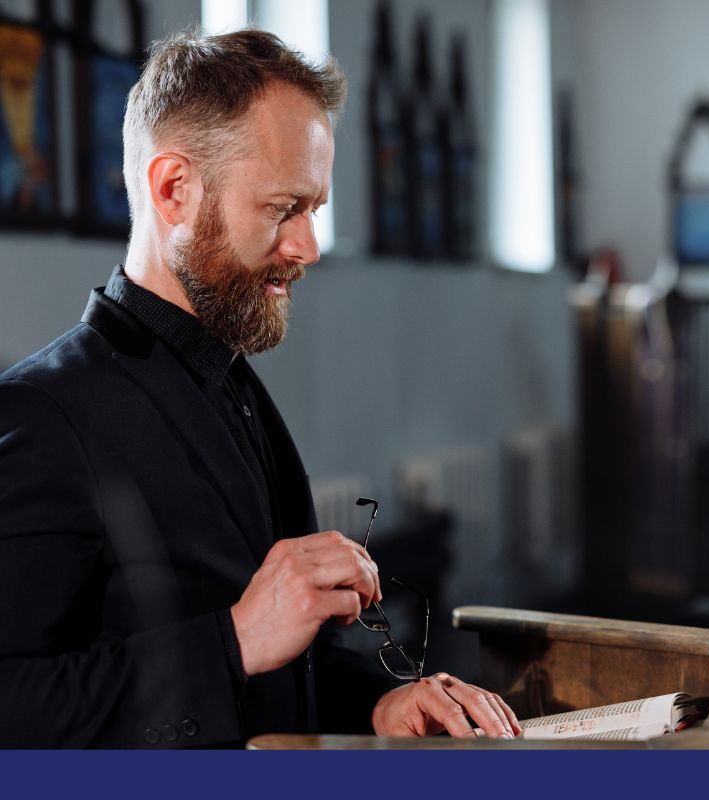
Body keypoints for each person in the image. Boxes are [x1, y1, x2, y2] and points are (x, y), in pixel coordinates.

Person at [0, 29, 521, 748]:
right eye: (284, 208)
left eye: (315, 209)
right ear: (173, 189)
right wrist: (236, 637)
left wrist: (378, 704)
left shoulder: (235, 388)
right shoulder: (42, 415)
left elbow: (284, 667)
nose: (307, 247)